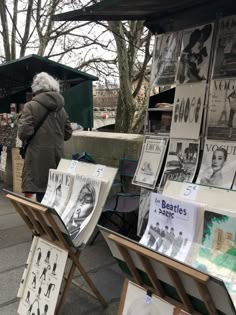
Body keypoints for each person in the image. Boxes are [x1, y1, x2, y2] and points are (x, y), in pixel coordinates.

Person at [18, 72, 72, 202]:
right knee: (53, 192)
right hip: (57, 158)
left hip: (37, 158)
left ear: (36, 89)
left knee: (41, 193)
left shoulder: (31, 106)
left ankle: (42, 221)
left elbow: (23, 133)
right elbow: (68, 133)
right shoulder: (61, 109)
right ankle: (51, 220)